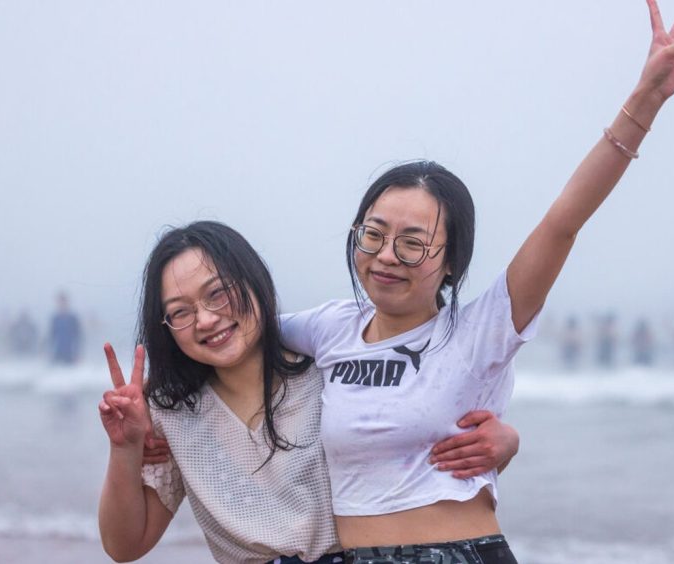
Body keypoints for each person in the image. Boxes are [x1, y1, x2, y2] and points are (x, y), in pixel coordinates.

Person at [281, 2, 674, 561]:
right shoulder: (328, 327)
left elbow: (563, 223)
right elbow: (232, 340)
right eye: (373, 235)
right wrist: (156, 420)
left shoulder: (480, 330)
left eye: (412, 243)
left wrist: (645, 99)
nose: (385, 257)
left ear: (451, 259)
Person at [97, 222, 519, 563]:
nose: (206, 319)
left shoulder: (331, 372)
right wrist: (127, 447)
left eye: (218, 294)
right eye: (180, 312)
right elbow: (125, 546)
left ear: (253, 281)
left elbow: (415, 446)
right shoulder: (172, 412)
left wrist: (506, 443)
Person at [49, 291, 83, 364]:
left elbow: (78, 337)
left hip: (70, 353)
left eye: (63, 302)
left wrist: (77, 353)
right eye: (60, 302)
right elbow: (51, 336)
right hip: (57, 352)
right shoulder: (55, 319)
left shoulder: (73, 319)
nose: (62, 304)